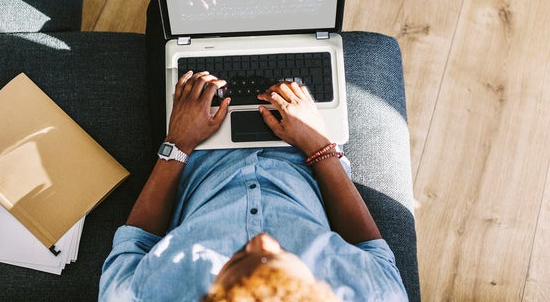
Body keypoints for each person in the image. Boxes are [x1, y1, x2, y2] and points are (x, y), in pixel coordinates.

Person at [99, 70, 408, 301]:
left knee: (173, 24)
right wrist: (319, 145)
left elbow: (135, 243)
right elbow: (369, 248)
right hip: (303, 153)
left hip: (198, 150)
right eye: (283, 252)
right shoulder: (375, 295)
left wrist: (177, 143)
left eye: (238, 257)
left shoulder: (137, 297)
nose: (261, 240)